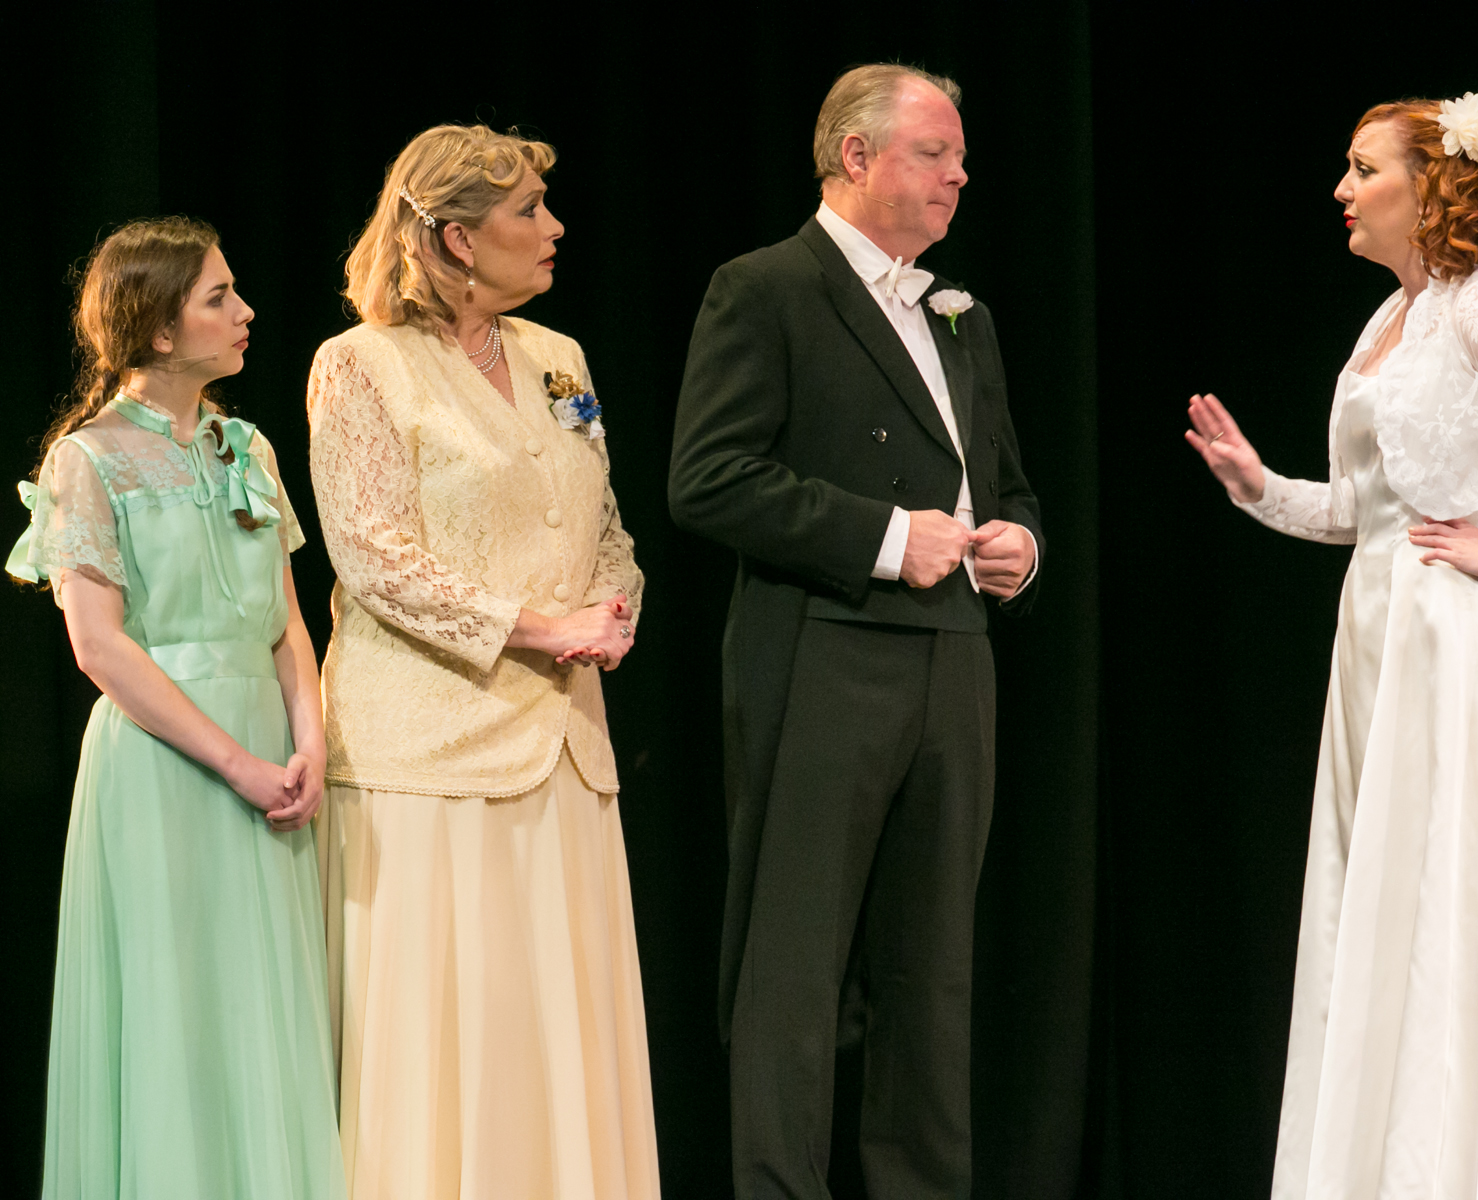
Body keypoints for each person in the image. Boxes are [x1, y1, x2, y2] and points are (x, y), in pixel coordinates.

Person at [1186, 91, 1478, 1198]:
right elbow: (1364, 512)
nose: (1343, 190)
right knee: (1386, 896)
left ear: (1434, 186)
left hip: (1463, 636)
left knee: (1459, 891)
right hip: (1380, 634)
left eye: (1365, 170)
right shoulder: (1386, 322)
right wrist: (1260, 487)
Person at [669, 63, 1044, 1199]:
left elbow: (1005, 485)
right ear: (856, 157)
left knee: (931, 972)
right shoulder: (767, 287)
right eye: (935, 153)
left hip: (954, 660)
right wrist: (887, 537)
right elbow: (709, 479)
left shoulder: (960, 314)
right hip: (825, 654)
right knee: (794, 966)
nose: (959, 175)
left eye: (961, 157)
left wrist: (1020, 545)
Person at [307, 124, 657, 1199]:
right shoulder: (360, 364)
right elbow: (371, 552)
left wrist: (615, 608)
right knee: (454, 1035)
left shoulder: (560, 358)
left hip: (566, 745)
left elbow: (602, 521)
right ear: (458, 239)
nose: (555, 228)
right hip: (431, 752)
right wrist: (542, 628)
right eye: (528, 212)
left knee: (559, 1031)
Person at [8, 218, 346, 1198]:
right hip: (166, 764)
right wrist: (237, 763)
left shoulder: (249, 448)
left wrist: (311, 742)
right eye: (217, 297)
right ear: (159, 329)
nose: (245, 312)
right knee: (176, 1004)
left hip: (274, 760)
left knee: (263, 1004)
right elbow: (99, 644)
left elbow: (287, 624)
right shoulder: (89, 460)